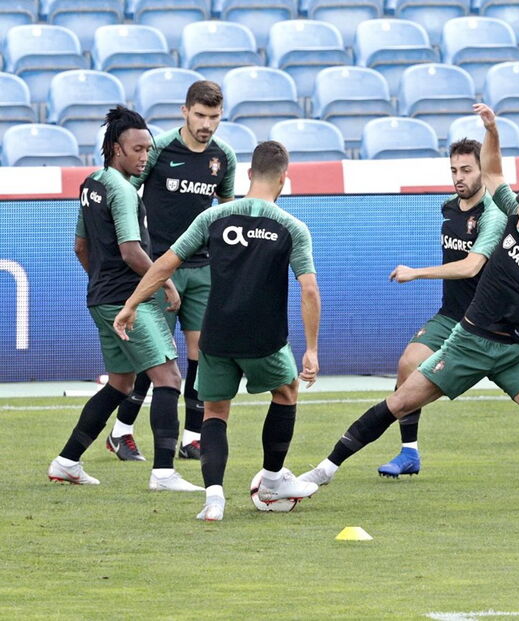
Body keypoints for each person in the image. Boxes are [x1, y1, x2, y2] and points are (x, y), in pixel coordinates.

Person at [297, 105, 519, 510]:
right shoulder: (509, 212)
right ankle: (323, 471)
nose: (518, 223)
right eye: (518, 216)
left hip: (514, 353)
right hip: (467, 342)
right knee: (400, 401)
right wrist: (491, 129)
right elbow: (495, 172)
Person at [114, 141, 321, 522]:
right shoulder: (292, 227)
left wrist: (131, 305)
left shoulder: (214, 218)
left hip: (217, 335)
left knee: (215, 411)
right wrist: (310, 349)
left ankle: (213, 500)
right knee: (286, 391)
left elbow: (164, 264)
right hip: (264, 337)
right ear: (284, 180)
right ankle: (273, 479)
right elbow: (309, 288)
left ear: (247, 175)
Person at [47, 106, 201, 492]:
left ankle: (67, 461)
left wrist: (101, 281)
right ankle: (164, 473)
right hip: (124, 300)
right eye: (138, 149)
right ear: (117, 149)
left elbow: (80, 246)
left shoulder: (91, 183)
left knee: (119, 382)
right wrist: (164, 281)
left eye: (148, 149)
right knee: (168, 378)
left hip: (101, 297)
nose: (145, 156)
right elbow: (131, 251)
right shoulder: (122, 189)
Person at [105, 80, 237, 463]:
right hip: (159, 267)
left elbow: (226, 213)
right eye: (200, 115)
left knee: (201, 356)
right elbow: (126, 196)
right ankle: (121, 431)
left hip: (203, 270)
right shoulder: (158, 148)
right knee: (157, 358)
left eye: (214, 117)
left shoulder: (223, 157)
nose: (207, 124)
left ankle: (192, 436)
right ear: (185, 111)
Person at [375, 138, 507, 478]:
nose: (459, 177)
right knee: (408, 364)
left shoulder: (493, 215)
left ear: (482, 171)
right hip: (451, 316)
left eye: (466, 170)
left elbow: (470, 267)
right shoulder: (448, 208)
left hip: (493, 326)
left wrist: (416, 272)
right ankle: (409, 453)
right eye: (454, 170)